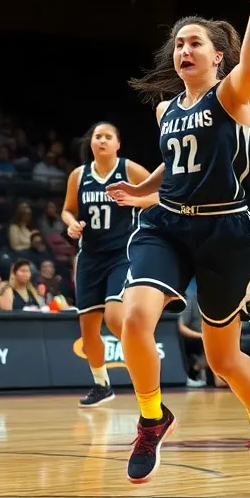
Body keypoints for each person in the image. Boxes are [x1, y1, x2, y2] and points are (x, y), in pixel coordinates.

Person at [106, 0, 250, 487]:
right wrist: (144, 188)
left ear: (217, 57)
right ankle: (152, 416)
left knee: (224, 358)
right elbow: (177, 163)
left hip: (225, 231)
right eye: (179, 43)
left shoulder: (232, 96)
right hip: (166, 223)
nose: (184, 49)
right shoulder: (166, 109)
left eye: (194, 43)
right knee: (134, 317)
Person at [62, 120, 156, 407]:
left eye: (107, 136)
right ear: (91, 144)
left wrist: (134, 201)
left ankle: (145, 367)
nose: (101, 140)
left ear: (117, 144)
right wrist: (71, 225)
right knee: (88, 330)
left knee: (115, 318)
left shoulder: (129, 169)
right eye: (97, 136)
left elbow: (160, 194)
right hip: (89, 256)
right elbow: (67, 210)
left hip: (121, 254)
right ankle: (102, 385)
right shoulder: (78, 176)